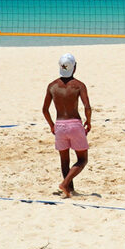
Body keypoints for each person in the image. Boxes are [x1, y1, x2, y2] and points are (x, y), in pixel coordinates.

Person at [42, 53, 92, 198]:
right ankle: (65, 184)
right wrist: (88, 121)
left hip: (60, 125)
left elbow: (44, 110)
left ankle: (69, 191)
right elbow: (87, 106)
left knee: (65, 161)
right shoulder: (79, 85)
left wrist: (52, 125)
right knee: (82, 159)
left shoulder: (52, 86)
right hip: (75, 124)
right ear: (74, 67)